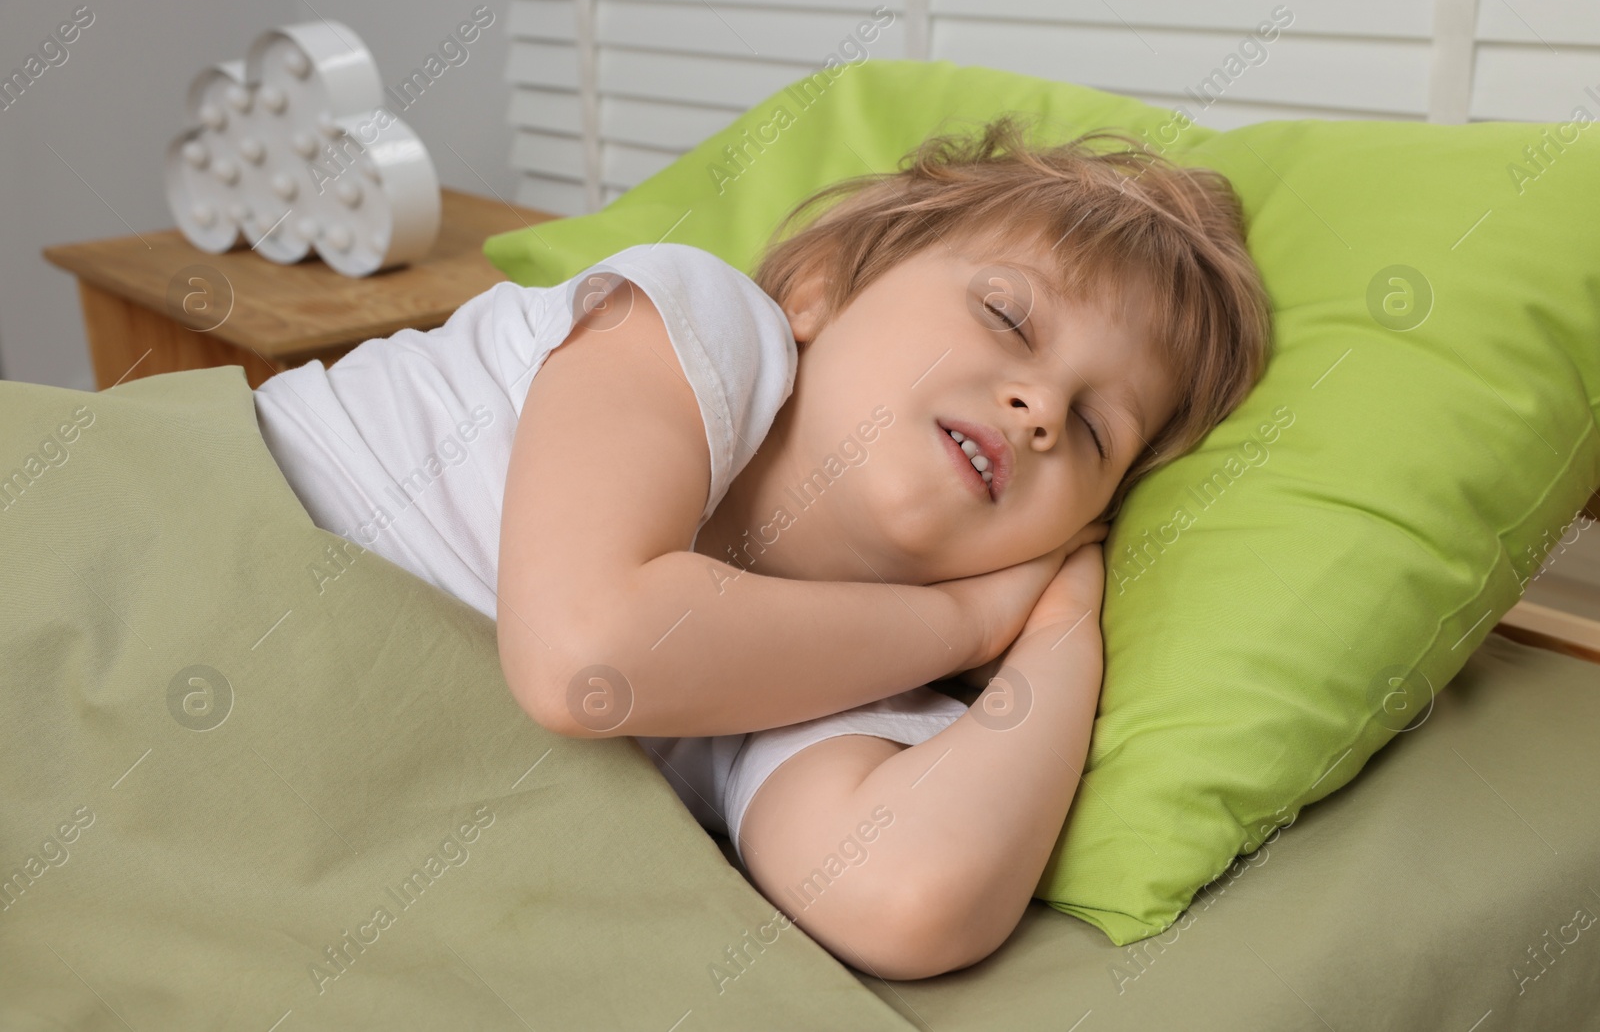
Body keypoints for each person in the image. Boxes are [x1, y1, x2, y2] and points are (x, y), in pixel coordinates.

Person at [254, 113, 1272, 981]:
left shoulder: (855, 692)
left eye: (1096, 433)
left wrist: (1058, 629)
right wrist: (962, 618)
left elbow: (907, 895)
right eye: (1007, 314)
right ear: (823, 288)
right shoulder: (699, 330)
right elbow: (590, 653)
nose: (1040, 405)